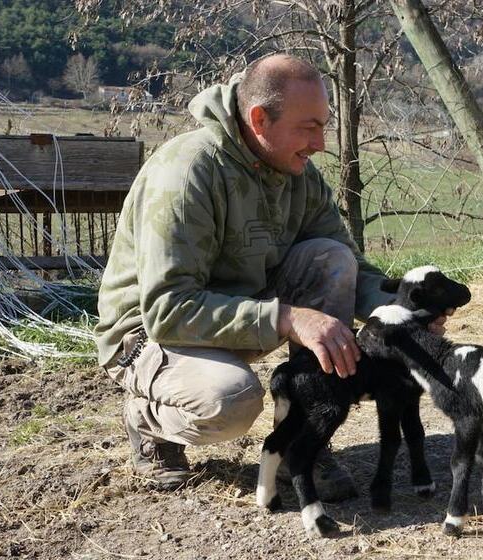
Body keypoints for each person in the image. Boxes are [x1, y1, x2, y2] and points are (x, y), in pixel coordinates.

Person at [94, 54, 450, 498]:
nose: (320, 143)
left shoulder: (295, 171)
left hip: (245, 307)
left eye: (323, 125)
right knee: (230, 401)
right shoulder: (187, 174)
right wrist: (287, 318)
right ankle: (148, 421)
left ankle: (301, 442)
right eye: (309, 127)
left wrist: (403, 309)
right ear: (259, 119)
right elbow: (168, 309)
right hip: (149, 334)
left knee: (332, 258)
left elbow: (351, 269)